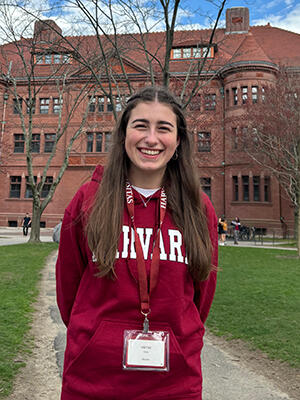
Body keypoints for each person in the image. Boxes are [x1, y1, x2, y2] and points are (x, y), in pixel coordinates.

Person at [56, 86, 218, 400]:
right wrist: (98, 338)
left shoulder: (198, 207)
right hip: (92, 379)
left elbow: (202, 294)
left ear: (179, 140)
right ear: (123, 134)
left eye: (164, 128)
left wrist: (176, 334)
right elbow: (68, 290)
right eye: (141, 125)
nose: (151, 138)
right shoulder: (89, 199)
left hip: (174, 382)